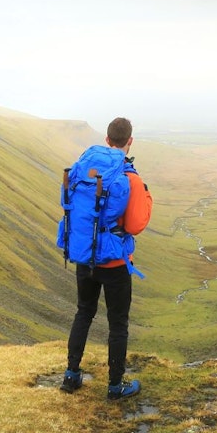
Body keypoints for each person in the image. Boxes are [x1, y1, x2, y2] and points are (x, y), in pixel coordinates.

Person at [61, 116, 145, 400]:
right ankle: (115, 385)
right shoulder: (129, 176)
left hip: (85, 256)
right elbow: (134, 225)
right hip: (115, 262)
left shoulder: (88, 168)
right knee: (118, 323)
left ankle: (71, 375)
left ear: (107, 139)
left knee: (83, 312)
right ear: (129, 141)